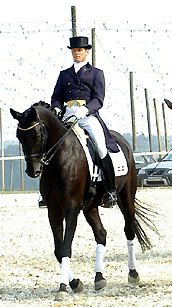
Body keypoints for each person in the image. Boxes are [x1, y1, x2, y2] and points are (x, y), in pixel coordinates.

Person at [50, 36, 118, 208]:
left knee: (101, 148)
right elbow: (56, 96)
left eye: (79, 50)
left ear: (86, 52)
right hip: (68, 116)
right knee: (50, 145)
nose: (76, 53)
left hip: (88, 115)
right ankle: (46, 192)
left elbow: (99, 99)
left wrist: (86, 109)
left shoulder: (96, 73)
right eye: (74, 51)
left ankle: (110, 190)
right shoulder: (64, 74)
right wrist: (57, 108)